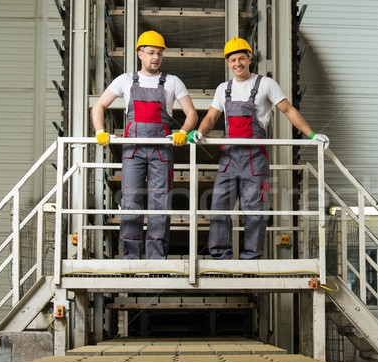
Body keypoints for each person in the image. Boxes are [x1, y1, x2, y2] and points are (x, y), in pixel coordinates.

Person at [189, 37, 329, 260]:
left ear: (249, 58)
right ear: (228, 62)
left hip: (255, 158)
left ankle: (251, 258)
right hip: (229, 156)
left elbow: (288, 110)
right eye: (233, 60)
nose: (238, 63)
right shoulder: (223, 89)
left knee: (254, 210)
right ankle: (220, 257)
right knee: (218, 207)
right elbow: (211, 117)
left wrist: (311, 134)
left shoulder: (265, 84)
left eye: (241, 58)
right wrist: (200, 131)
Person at [91, 30, 197, 259]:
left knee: (160, 205)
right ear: (140, 54)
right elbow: (98, 106)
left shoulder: (172, 82)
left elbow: (191, 114)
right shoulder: (125, 80)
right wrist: (100, 131)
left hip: (161, 150)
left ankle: (156, 259)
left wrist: (183, 132)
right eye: (150, 53)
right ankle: (130, 258)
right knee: (130, 202)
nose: (155, 58)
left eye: (159, 53)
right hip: (134, 150)